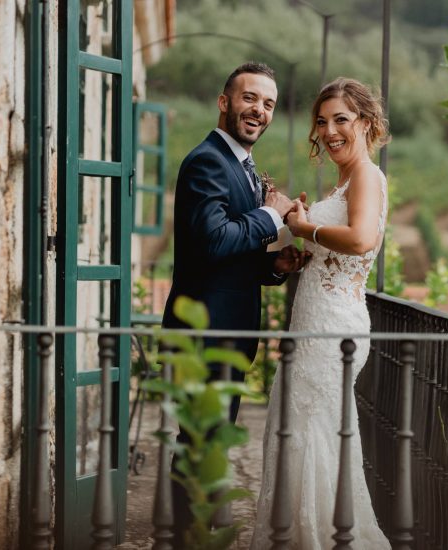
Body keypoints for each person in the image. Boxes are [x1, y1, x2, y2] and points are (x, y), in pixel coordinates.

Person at [162, 61, 309, 544]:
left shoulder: (241, 167)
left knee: (210, 446)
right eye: (250, 98)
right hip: (205, 332)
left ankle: (198, 531)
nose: (259, 111)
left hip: (229, 329)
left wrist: (273, 268)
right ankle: (189, 536)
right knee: (198, 446)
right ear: (225, 102)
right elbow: (212, 242)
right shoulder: (207, 161)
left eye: (268, 104)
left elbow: (229, 255)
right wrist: (271, 213)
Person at [250, 77, 391, 549]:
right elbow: (338, 246)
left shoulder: (368, 175)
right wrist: (303, 243)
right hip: (314, 320)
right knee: (303, 430)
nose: (329, 131)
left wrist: (304, 227)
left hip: (334, 326)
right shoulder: (345, 181)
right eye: (322, 121)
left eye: (341, 120)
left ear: (366, 124)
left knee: (312, 433)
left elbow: (362, 239)